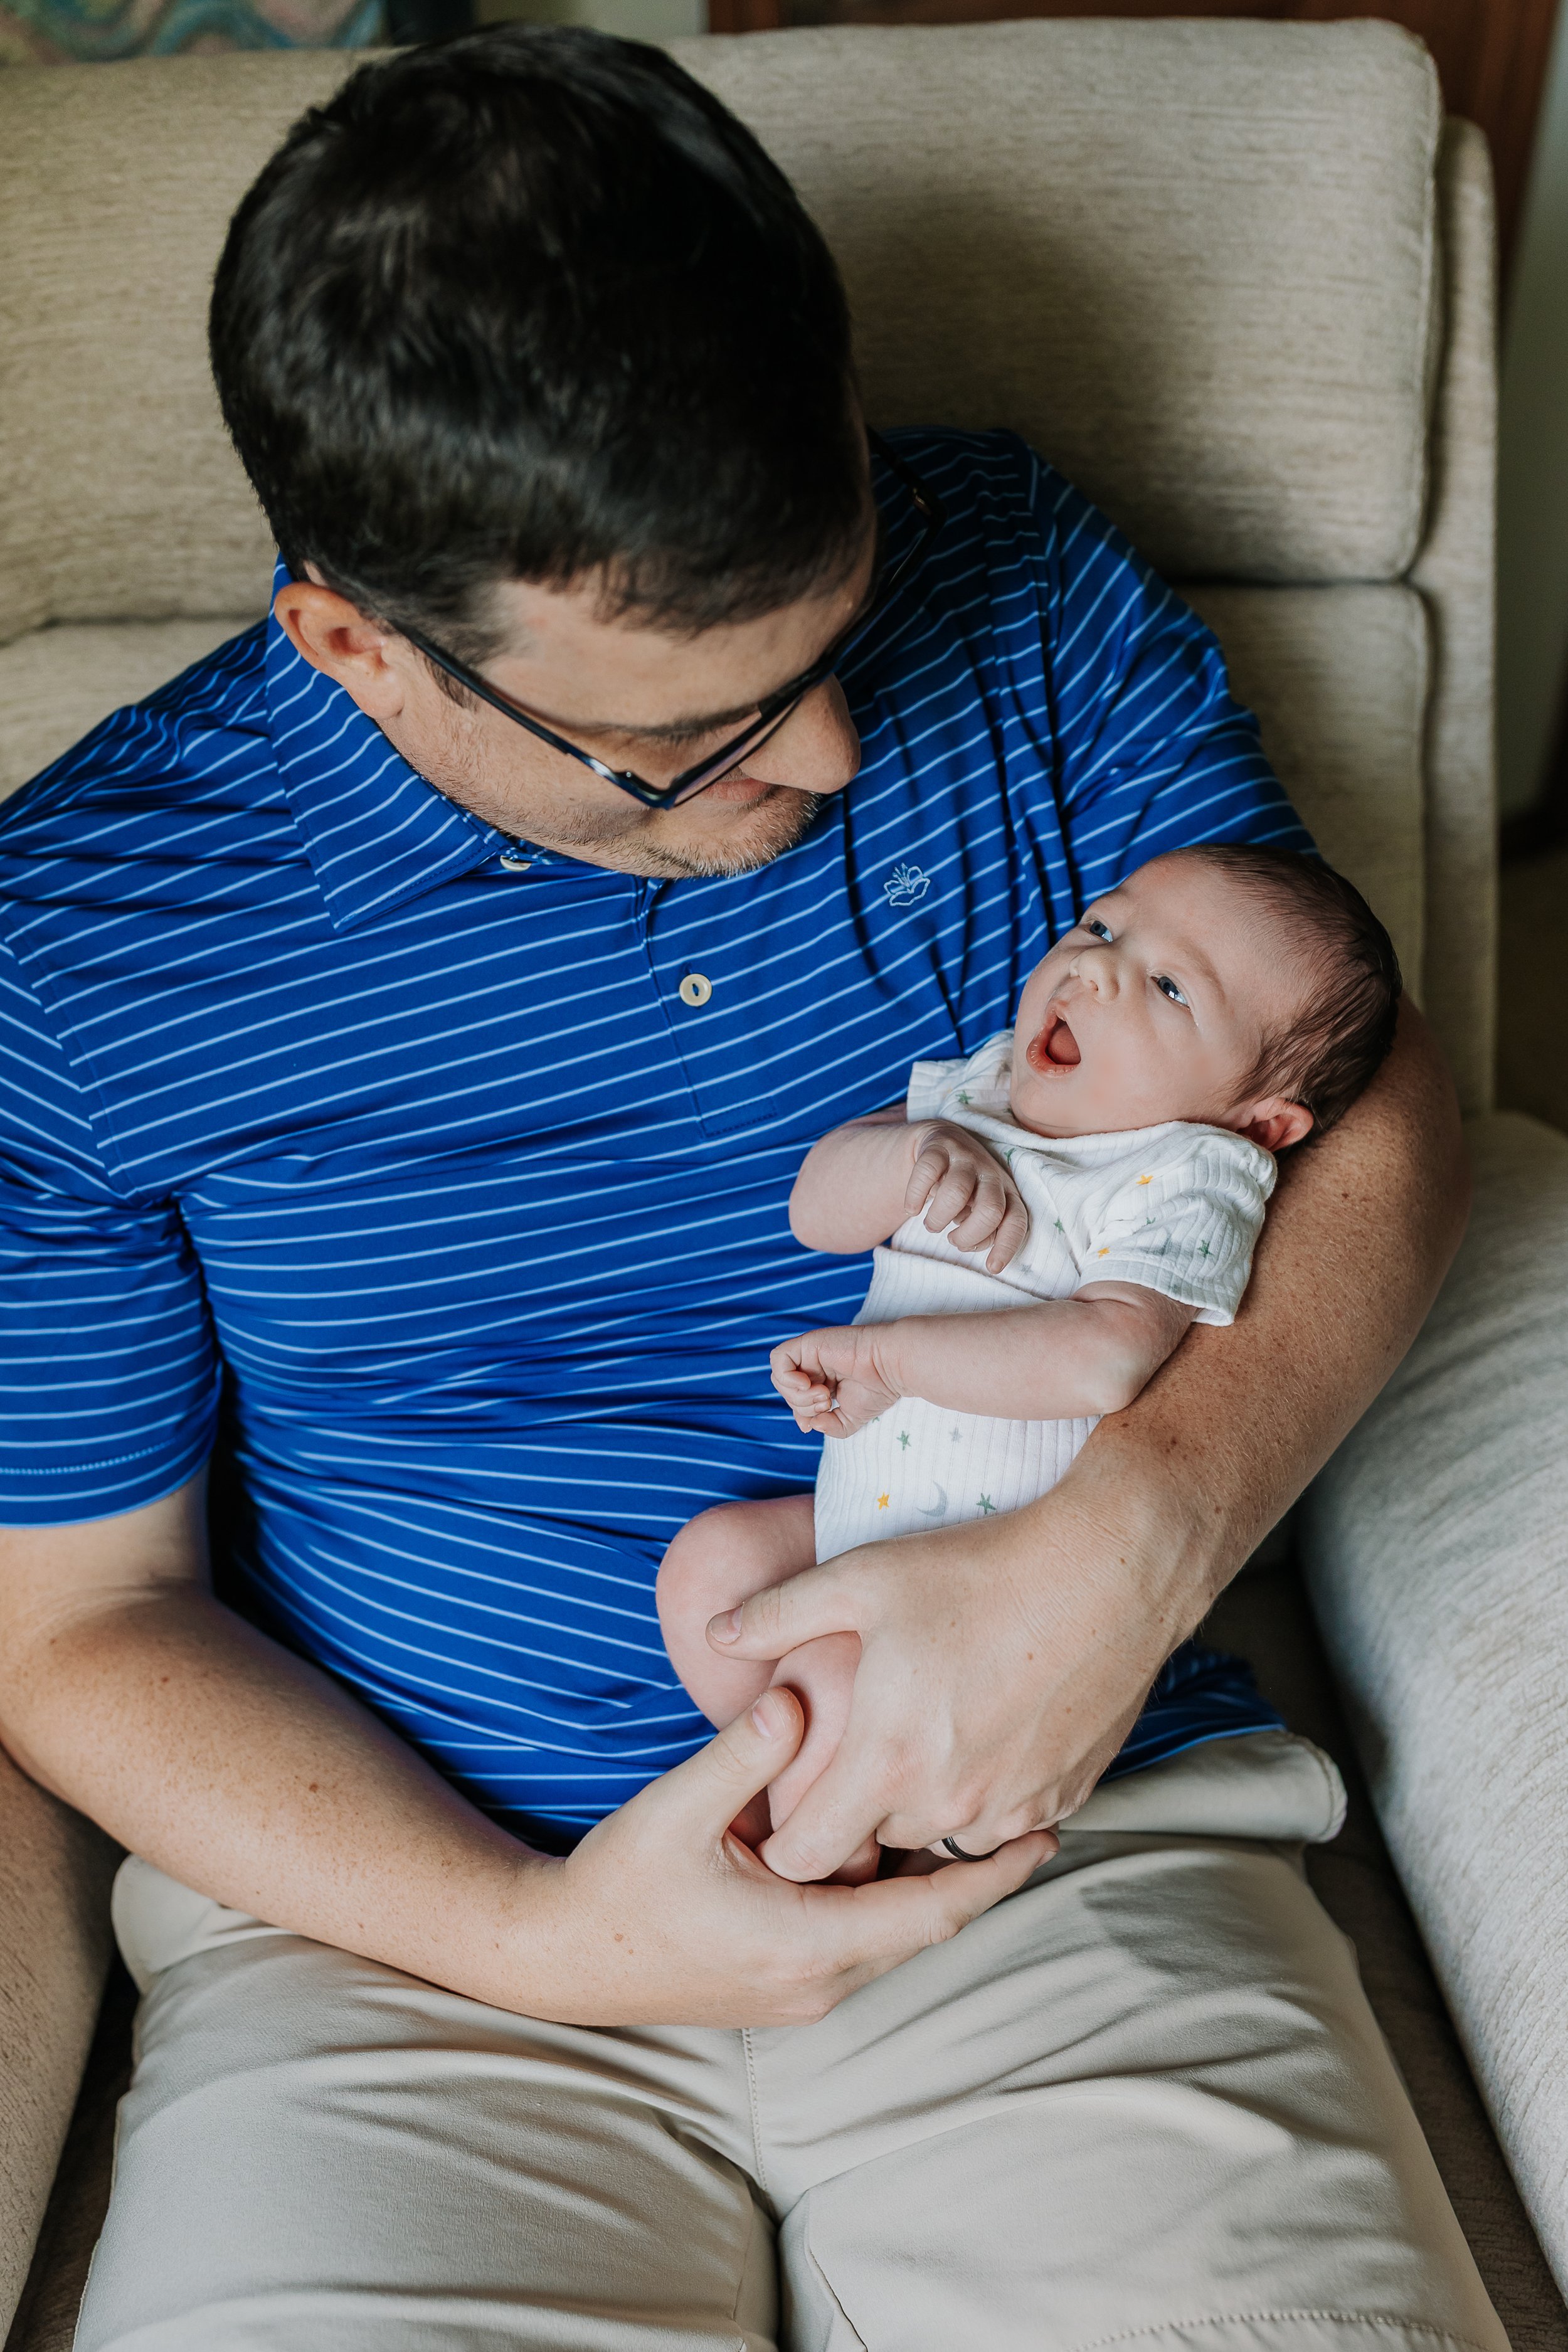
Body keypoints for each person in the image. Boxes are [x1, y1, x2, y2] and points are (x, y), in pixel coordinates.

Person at [0, 28, 1500, 2352]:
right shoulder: (85, 946)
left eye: (835, 619)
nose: (830, 752)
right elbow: (73, 1618)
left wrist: (1134, 1545)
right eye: (698, 733)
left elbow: (1367, 1098)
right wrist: (530, 1940)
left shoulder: (1012, 571)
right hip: (411, 1943)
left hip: (1064, 1830)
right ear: (352, 642)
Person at [658, 844, 1402, 1870]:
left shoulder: (1187, 1170)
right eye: (1103, 926)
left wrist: (888, 1361)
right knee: (712, 1572)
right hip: (861, 1526)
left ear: (1259, 1117)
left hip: (991, 1585)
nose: (1093, 969)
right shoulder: (980, 1087)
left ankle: (822, 1861)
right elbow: (813, 1208)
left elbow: (1104, 1358)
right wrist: (913, 1157)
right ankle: (832, 1827)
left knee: (830, 1684)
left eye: (1171, 986)